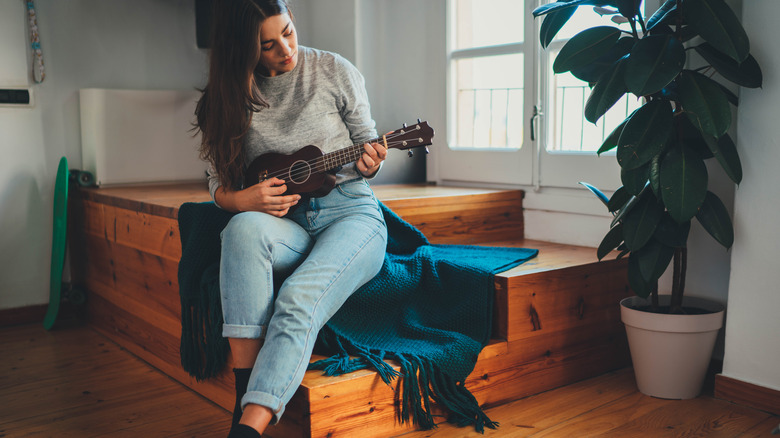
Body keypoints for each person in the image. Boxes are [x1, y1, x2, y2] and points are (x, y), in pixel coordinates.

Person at [194, 1, 389, 437]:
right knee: (239, 230)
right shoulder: (226, 99)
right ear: (242, 51)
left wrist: (372, 163)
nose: (286, 49)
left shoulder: (334, 70)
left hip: (350, 213)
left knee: (299, 297)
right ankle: (243, 391)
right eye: (268, 44)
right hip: (288, 223)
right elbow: (216, 184)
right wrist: (243, 199)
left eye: (289, 32)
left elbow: (368, 146)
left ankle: (248, 427)